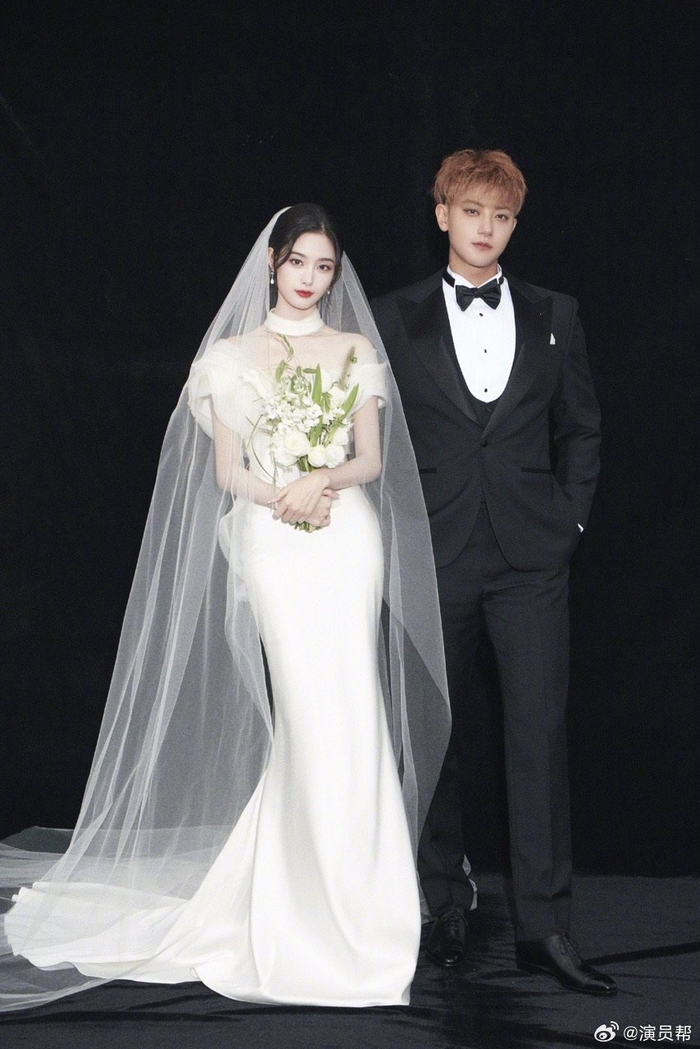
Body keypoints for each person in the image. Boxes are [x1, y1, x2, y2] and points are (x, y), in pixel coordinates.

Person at [0, 205, 450, 1011]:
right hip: (273, 541)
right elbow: (227, 471)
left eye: (324, 266)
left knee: (353, 707)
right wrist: (286, 493)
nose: (311, 278)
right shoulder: (230, 357)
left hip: (346, 540)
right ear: (272, 262)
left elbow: (371, 458)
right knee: (308, 713)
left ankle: (365, 912)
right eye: (299, 261)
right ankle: (304, 909)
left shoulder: (354, 350)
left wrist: (322, 479)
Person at [371, 151, 617, 996]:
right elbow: (373, 435)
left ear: (515, 223)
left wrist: (569, 522)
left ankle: (545, 928)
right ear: (442, 214)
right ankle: (443, 903)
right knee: (432, 736)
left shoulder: (557, 313)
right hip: (433, 550)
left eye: (502, 215)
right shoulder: (392, 315)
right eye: (472, 211)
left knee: (538, 737)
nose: (486, 228)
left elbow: (582, 427)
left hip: (530, 559)